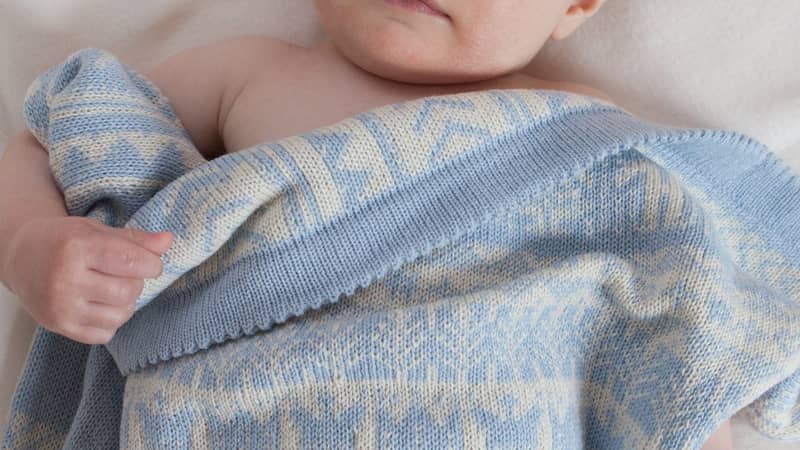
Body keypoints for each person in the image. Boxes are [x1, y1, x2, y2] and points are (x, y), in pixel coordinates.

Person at [0, 0, 734, 447]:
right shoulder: (252, 72)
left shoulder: (591, 138)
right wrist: (31, 245)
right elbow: (52, 138)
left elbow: (684, 330)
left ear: (575, 3)